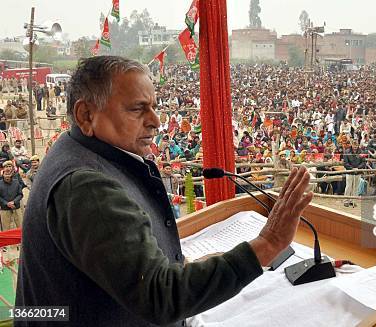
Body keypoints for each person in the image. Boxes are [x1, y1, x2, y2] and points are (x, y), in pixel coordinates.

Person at [16, 56, 314, 326]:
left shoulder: (78, 150)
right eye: (137, 109)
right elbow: (160, 297)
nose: (155, 121)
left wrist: (185, 266)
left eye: (154, 107)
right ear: (86, 115)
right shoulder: (87, 186)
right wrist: (268, 244)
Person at [0, 164, 24, 231]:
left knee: (20, 227)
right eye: (5, 174)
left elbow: (20, 194)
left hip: (16, 207)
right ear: (3, 175)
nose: (7, 175)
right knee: (5, 228)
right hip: (4, 209)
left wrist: (14, 202)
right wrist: (6, 203)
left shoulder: (16, 183)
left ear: (11, 175)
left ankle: (21, 241)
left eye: (9, 174)